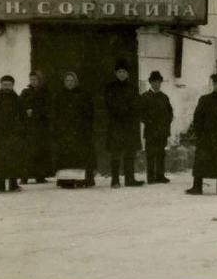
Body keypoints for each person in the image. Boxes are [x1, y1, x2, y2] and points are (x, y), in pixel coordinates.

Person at [186, 73, 217, 195]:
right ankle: (197, 187)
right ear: (213, 84)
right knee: (201, 161)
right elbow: (197, 117)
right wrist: (200, 133)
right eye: (216, 84)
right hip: (206, 136)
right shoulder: (205, 99)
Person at [52, 71, 96, 187]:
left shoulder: (83, 95)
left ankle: (83, 179)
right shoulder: (60, 96)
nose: (69, 83)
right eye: (67, 81)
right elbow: (56, 114)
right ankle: (66, 180)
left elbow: (89, 113)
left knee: (81, 156)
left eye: (71, 81)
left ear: (76, 82)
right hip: (65, 131)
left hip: (80, 131)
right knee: (66, 156)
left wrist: (85, 127)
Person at [104, 59, 144, 187]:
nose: (121, 74)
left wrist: (128, 112)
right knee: (116, 153)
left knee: (129, 152)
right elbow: (110, 104)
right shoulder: (110, 88)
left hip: (129, 125)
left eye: (124, 71)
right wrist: (122, 111)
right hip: (116, 124)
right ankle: (115, 180)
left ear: (128, 73)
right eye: (119, 71)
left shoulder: (133, 88)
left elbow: (136, 104)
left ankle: (129, 179)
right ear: (116, 73)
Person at [0, 75, 26, 193]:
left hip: (14, 135)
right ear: (1, 85)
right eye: (4, 85)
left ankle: (14, 184)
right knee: (0, 160)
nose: (6, 87)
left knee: (14, 159)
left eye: (9, 85)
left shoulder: (18, 100)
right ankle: (0, 185)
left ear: (13, 86)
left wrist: (21, 132)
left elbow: (23, 119)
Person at [139, 70, 173, 184]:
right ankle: (151, 177)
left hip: (162, 130)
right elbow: (140, 114)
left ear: (161, 83)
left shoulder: (165, 97)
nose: (156, 84)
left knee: (161, 153)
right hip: (151, 130)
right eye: (154, 82)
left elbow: (170, 113)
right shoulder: (144, 97)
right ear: (150, 83)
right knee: (150, 153)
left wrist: (166, 123)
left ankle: (160, 176)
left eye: (158, 82)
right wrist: (150, 122)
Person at [20, 70, 51, 183]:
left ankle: (40, 175)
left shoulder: (45, 93)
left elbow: (48, 108)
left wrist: (36, 112)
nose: (33, 81)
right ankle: (24, 176)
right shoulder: (26, 92)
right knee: (28, 152)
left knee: (41, 151)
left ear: (40, 80)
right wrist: (25, 112)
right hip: (29, 127)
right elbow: (20, 107)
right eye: (31, 79)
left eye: (35, 79)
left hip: (41, 126)